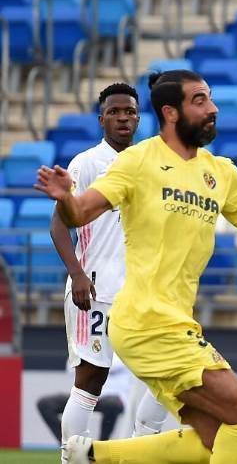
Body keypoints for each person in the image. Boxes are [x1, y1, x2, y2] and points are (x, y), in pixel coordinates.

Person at [35, 69, 237, 464]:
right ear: (171, 112)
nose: (213, 109)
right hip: (144, 322)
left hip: (176, 324)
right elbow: (80, 212)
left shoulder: (220, 173)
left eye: (211, 99)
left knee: (214, 436)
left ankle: (94, 455)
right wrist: (65, 198)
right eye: (200, 101)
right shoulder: (137, 161)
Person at [50, 83, 168, 462]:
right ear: (102, 119)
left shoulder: (150, 163)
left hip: (140, 294)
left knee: (167, 375)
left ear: (138, 118)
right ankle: (71, 458)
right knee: (90, 382)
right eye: (115, 112)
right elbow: (58, 224)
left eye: (130, 112)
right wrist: (78, 274)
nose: (123, 118)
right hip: (96, 290)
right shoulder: (86, 164)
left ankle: (140, 450)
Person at [38, 358, 136, 444]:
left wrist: (89, 361)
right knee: (45, 404)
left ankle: (102, 444)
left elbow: (109, 363)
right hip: (84, 394)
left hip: (113, 397)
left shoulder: (118, 350)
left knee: (112, 404)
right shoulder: (86, 345)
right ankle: (68, 442)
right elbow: (70, 366)